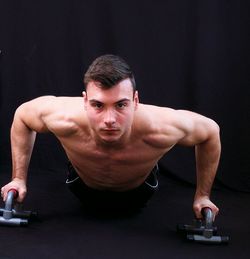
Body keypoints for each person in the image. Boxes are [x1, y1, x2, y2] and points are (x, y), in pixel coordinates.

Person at [1, 54, 220, 218]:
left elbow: (210, 132)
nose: (109, 119)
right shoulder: (64, 117)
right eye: (98, 105)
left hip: (138, 194)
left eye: (121, 105)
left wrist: (203, 196)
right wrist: (18, 179)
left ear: (135, 101)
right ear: (85, 101)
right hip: (81, 187)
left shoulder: (160, 126)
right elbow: (23, 116)